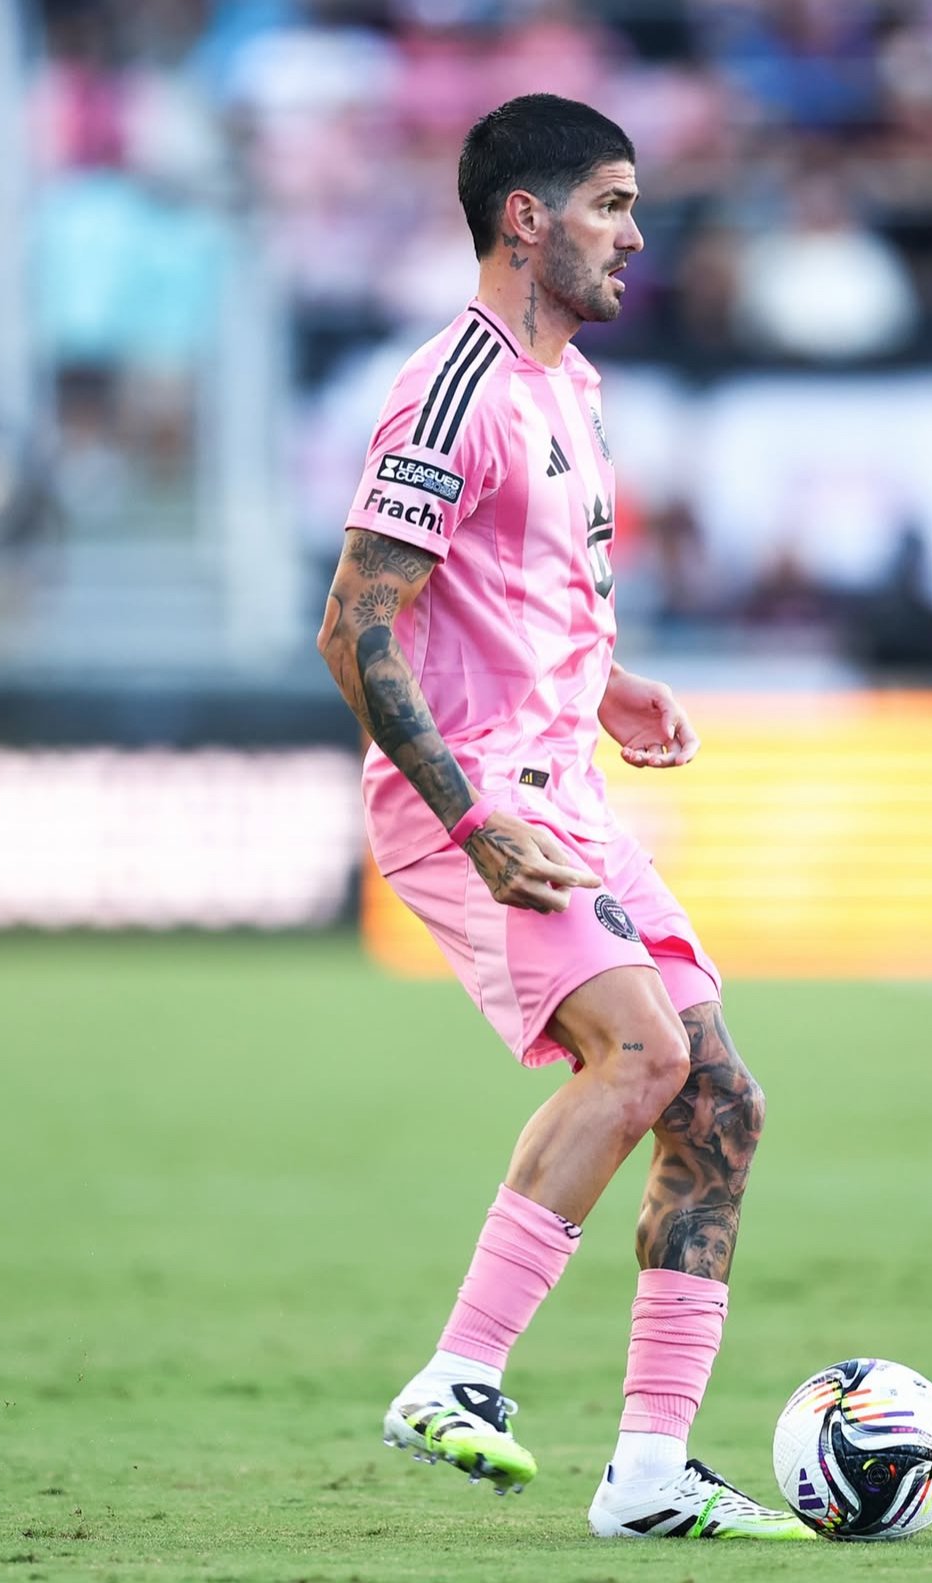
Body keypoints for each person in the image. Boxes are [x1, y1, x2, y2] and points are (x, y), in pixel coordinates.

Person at [317, 93, 812, 1543]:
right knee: (643, 1052)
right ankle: (455, 1376)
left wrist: (605, 683)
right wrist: (470, 819)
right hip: (472, 803)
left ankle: (651, 1476)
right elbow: (354, 633)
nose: (634, 233)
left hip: (565, 791)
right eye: (610, 201)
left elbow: (515, 598)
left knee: (722, 1104)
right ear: (523, 219)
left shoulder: (572, 389)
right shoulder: (450, 389)